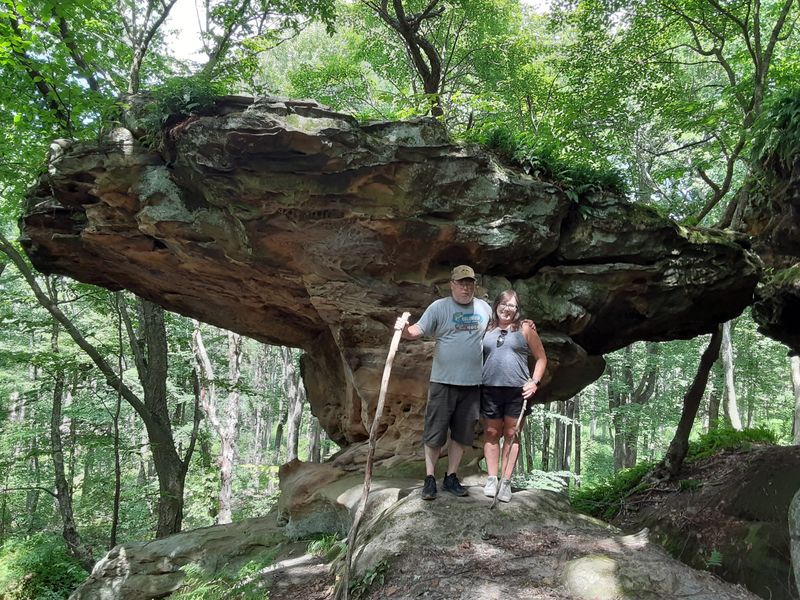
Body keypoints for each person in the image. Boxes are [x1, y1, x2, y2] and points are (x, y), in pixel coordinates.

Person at [398, 265, 492, 500]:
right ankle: (430, 478)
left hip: (472, 384)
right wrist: (404, 331)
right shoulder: (439, 307)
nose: (466, 288)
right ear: (452, 284)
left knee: (462, 434)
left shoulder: (484, 308)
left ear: (475, 285)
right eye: (461, 283)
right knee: (435, 432)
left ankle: (451, 476)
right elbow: (417, 330)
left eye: (469, 283)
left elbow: (494, 332)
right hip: (443, 382)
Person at [481, 289, 547, 503]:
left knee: (512, 433)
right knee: (491, 432)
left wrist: (534, 382)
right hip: (490, 387)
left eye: (512, 305)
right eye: (504, 303)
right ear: (496, 304)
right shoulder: (486, 327)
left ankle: (506, 482)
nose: (507, 308)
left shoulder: (525, 328)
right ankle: (492, 479)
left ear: (517, 310)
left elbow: (541, 358)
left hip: (518, 389)